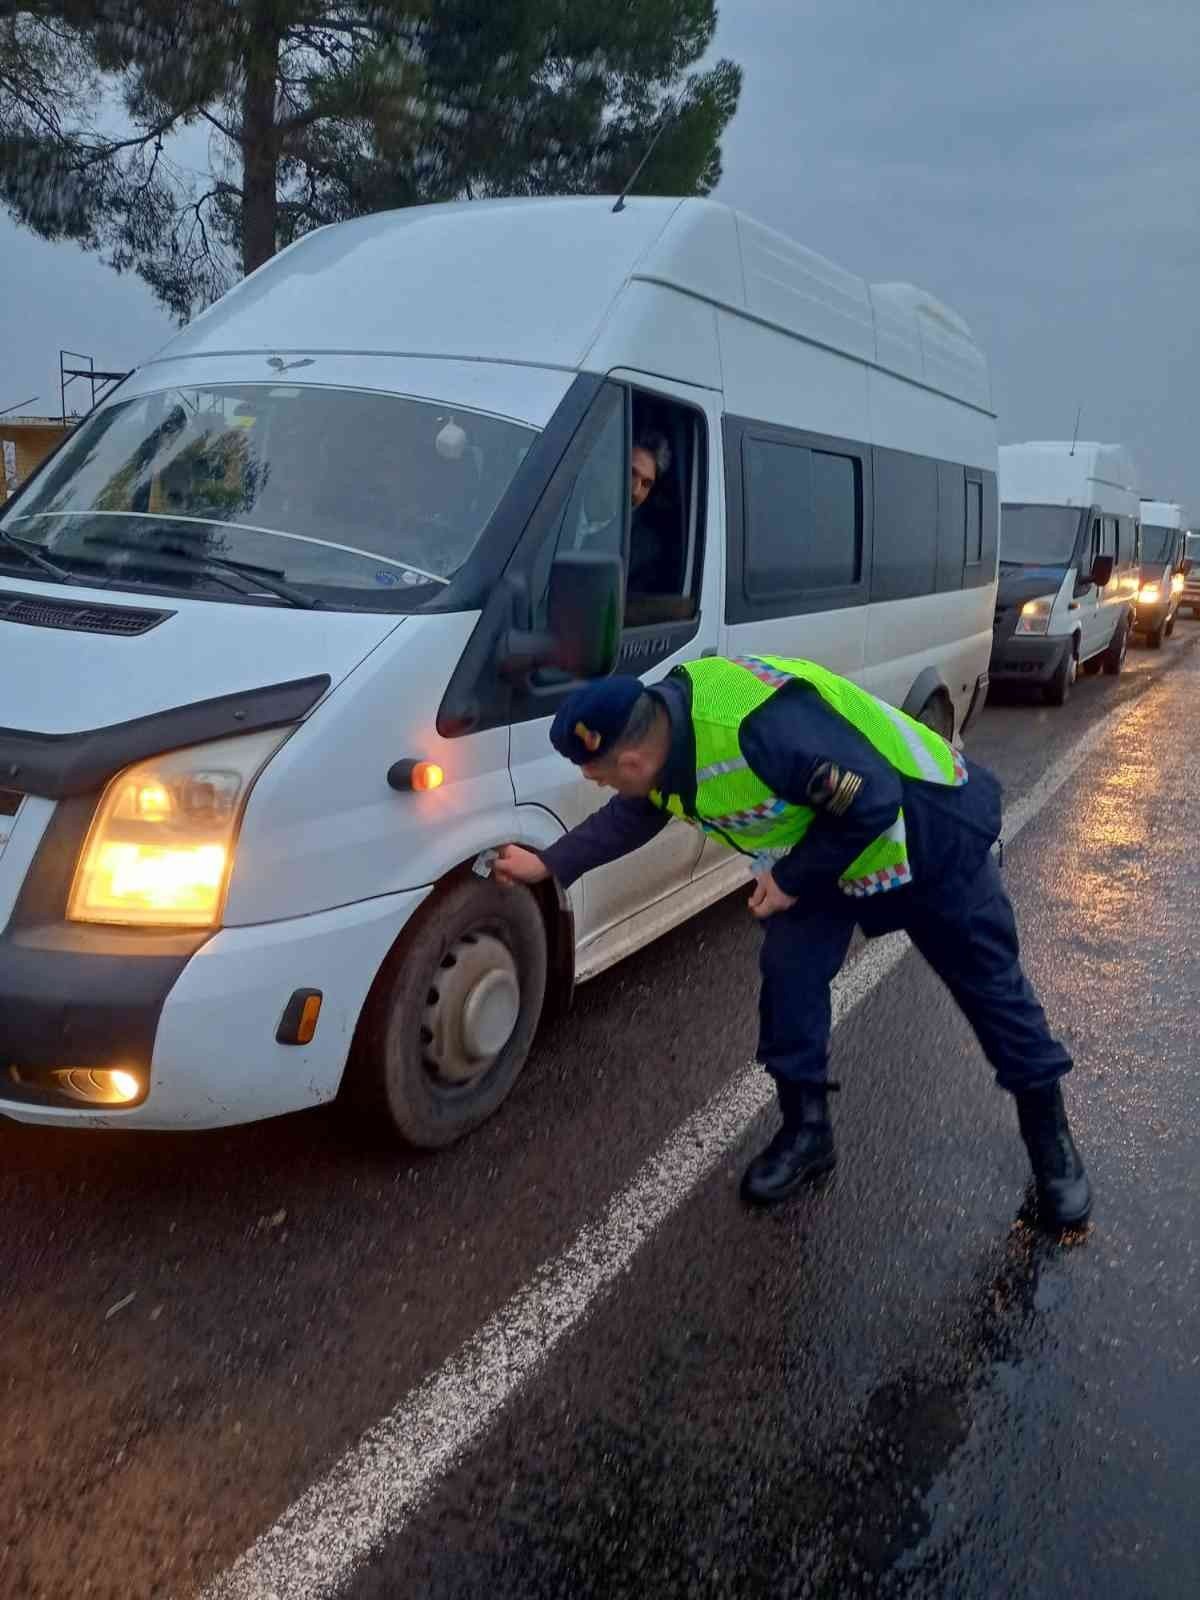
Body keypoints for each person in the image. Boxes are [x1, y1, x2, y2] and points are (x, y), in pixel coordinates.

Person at [493, 654, 1091, 1230]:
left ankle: (1051, 1142)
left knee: (992, 992)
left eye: (594, 774)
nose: (592, 783)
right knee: (790, 978)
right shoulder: (664, 727)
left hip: (929, 835)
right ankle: (807, 1133)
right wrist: (550, 864)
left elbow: (874, 799)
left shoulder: (754, 728)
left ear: (629, 760)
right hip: (824, 850)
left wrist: (784, 880)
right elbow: (640, 811)